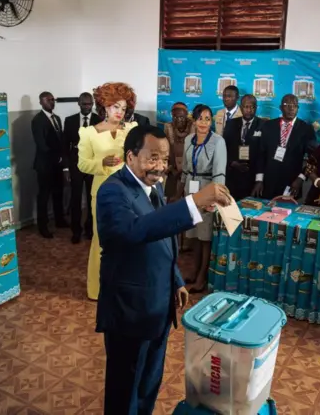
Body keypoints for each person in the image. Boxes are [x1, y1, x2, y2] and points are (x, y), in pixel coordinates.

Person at [95, 125, 231, 415]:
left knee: (148, 382)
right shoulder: (112, 192)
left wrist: (176, 279)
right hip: (129, 311)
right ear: (130, 157)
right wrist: (192, 203)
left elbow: (162, 239)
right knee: (125, 388)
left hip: (159, 305)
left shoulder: (153, 187)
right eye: (153, 157)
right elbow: (135, 231)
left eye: (165, 159)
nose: (160, 167)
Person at [78, 82, 138, 301]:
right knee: (101, 240)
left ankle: (124, 286)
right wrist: (101, 162)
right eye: (115, 107)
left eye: (123, 108)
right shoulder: (88, 133)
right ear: (104, 106)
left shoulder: (131, 130)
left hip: (128, 191)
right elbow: (82, 165)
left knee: (128, 238)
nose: (119, 112)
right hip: (102, 192)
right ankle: (97, 289)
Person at [177, 104, 227, 292]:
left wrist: (215, 197)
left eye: (207, 118)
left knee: (205, 237)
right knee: (194, 235)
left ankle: (202, 278)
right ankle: (194, 271)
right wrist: (179, 192)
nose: (204, 122)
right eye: (200, 118)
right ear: (194, 120)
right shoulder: (189, 139)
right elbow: (184, 169)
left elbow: (220, 173)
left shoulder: (218, 141)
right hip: (191, 189)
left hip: (208, 190)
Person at [252, 94, 316, 200]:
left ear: (298, 108)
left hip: (292, 183)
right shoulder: (268, 126)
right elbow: (261, 154)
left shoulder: (306, 129)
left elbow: (313, 159)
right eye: (287, 105)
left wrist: (300, 179)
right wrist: (259, 180)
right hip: (268, 182)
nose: (291, 108)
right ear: (281, 107)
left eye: (294, 105)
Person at [63, 92, 102, 244]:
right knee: (76, 199)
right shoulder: (70, 121)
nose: (87, 107)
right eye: (84, 104)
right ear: (79, 103)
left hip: (93, 165)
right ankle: (76, 231)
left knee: (92, 198)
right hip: (75, 165)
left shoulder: (99, 120)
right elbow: (64, 146)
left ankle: (90, 230)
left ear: (92, 104)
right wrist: (65, 168)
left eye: (89, 104)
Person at [31, 91, 68, 239]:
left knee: (58, 193)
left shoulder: (57, 119)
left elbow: (60, 141)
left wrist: (62, 159)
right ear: (41, 102)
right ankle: (43, 226)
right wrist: (57, 158)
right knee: (44, 196)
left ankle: (59, 220)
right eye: (48, 100)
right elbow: (41, 145)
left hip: (57, 164)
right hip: (45, 165)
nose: (52, 102)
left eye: (53, 100)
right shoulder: (37, 120)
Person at [223, 94, 264, 201]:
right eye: (246, 107)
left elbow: (264, 153)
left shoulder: (264, 125)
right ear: (241, 107)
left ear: (256, 108)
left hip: (252, 177)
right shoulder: (230, 124)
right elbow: (224, 148)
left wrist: (259, 180)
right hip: (233, 177)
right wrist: (232, 163)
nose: (249, 110)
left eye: (252, 107)